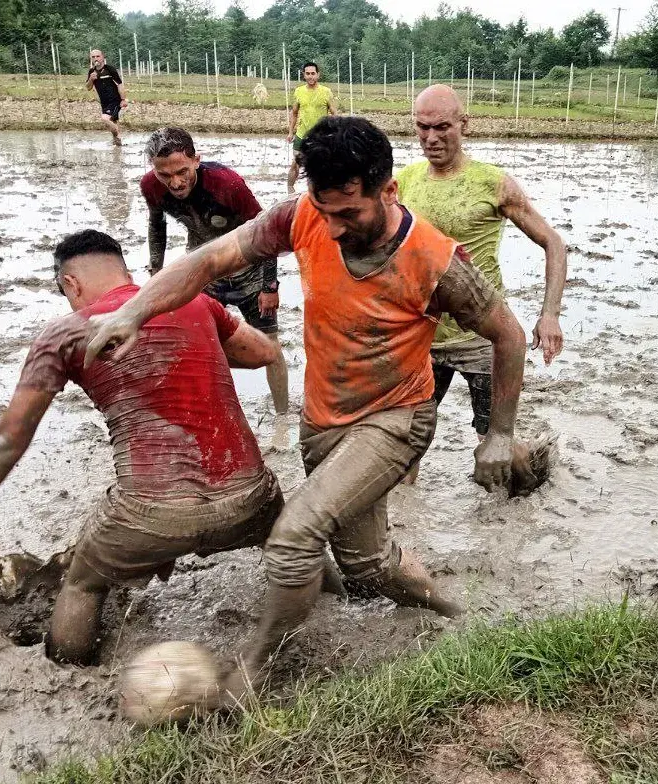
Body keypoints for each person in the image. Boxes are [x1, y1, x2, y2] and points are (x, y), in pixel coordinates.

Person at [84, 116, 528, 705]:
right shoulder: (302, 216)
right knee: (368, 565)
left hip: (396, 417)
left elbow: (509, 335)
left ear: (388, 190)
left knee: (294, 536)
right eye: (325, 211)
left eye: (349, 213)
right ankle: (459, 618)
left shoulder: (435, 260)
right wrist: (134, 311)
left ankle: (251, 674)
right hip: (323, 421)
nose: (334, 228)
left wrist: (499, 433)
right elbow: (210, 261)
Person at [0, 230, 286, 665]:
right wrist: (204, 335)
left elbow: (9, 438)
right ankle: (340, 602)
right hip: (248, 497)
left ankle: (65, 674)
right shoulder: (196, 302)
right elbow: (263, 353)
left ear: (70, 284)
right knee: (290, 540)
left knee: (83, 581)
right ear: (125, 271)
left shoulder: (64, 334)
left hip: (148, 515)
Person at [396, 84, 567, 482]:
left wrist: (550, 315)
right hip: (422, 338)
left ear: (464, 125)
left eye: (442, 127)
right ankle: (403, 515)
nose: (431, 138)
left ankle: (536, 474)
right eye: (422, 127)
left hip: (482, 338)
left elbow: (553, 243)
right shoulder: (403, 182)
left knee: (496, 449)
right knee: (405, 446)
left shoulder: (494, 183)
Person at [142, 127, 289, 415]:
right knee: (198, 344)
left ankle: (282, 416)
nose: (175, 182)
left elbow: (267, 233)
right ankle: (208, 409)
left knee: (270, 345)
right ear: (153, 169)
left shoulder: (228, 185)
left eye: (182, 171)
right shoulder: (151, 186)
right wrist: (156, 270)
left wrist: (270, 286)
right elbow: (156, 225)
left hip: (249, 274)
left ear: (196, 160)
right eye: (164, 175)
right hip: (203, 275)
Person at [286, 62, 336, 194]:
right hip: (301, 135)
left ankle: (318, 194)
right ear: (304, 75)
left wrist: (332, 131)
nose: (310, 76)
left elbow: (334, 113)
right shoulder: (299, 91)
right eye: (307, 74)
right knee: (295, 164)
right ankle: (289, 191)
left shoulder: (326, 92)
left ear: (318, 75)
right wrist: (291, 132)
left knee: (319, 166)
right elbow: (294, 113)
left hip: (320, 137)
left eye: (313, 73)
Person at [86, 49, 126, 146]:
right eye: (93, 57)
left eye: (98, 56)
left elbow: (119, 85)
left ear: (103, 57)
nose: (96, 59)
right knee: (112, 121)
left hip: (115, 100)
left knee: (105, 118)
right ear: (91, 59)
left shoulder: (110, 69)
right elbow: (88, 87)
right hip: (104, 102)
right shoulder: (92, 71)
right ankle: (117, 143)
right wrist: (91, 79)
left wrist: (123, 99)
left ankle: (117, 135)